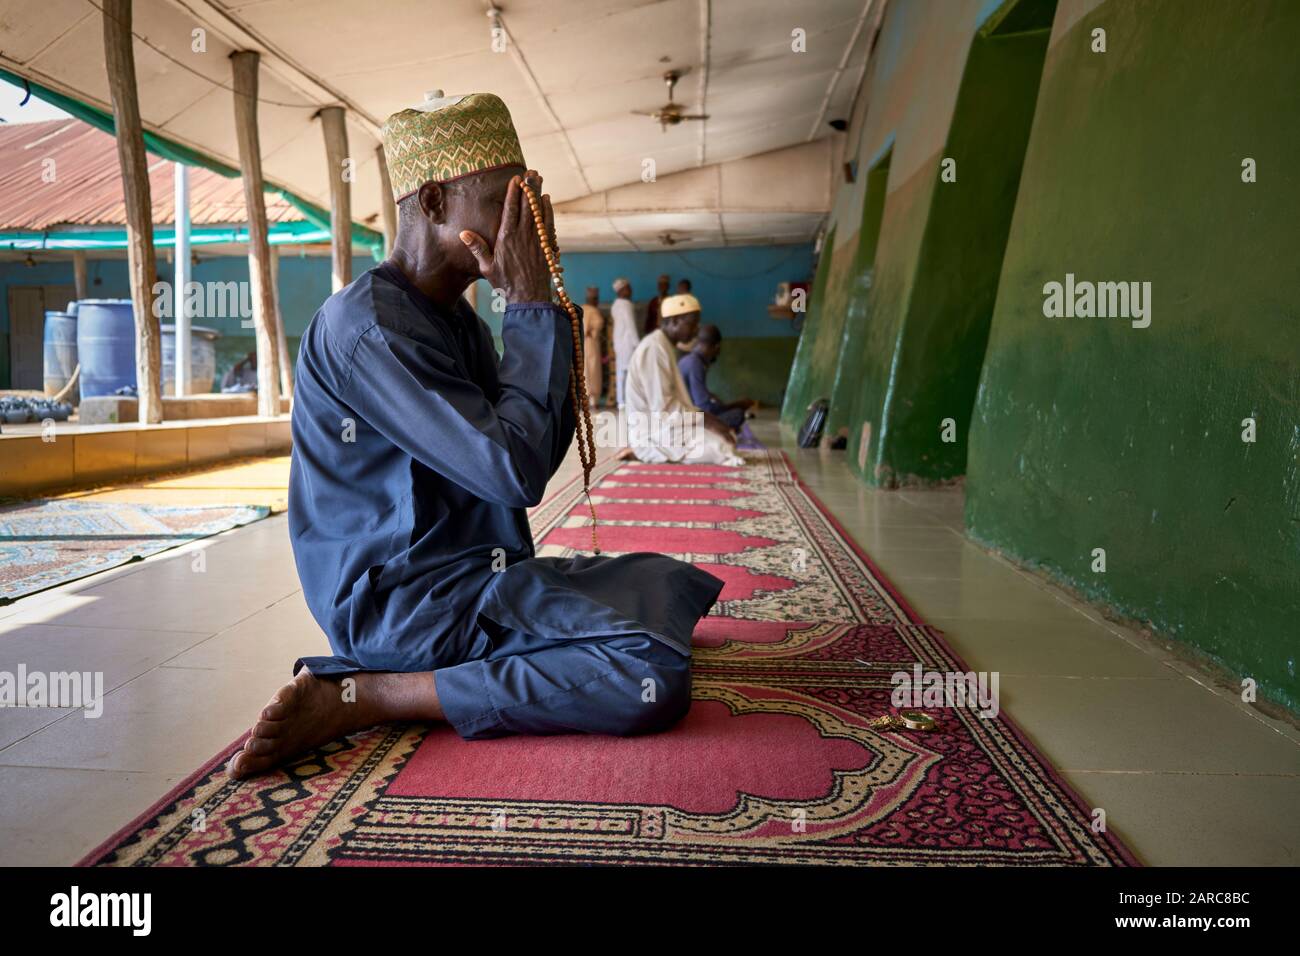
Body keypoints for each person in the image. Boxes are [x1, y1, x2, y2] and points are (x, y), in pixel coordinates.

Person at [226, 91, 723, 779]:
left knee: (672, 583)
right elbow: (511, 471)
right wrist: (526, 307)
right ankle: (376, 691)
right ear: (433, 204)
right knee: (651, 670)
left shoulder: (455, 319)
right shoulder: (369, 329)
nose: (525, 223)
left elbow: (534, 455)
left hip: (481, 577)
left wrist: (534, 314)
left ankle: (513, 651)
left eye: (528, 202)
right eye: (503, 201)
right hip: (410, 608)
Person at [623, 293, 743, 466]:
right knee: (721, 448)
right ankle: (644, 452)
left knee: (727, 439)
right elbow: (663, 409)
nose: (696, 330)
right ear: (674, 321)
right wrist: (708, 421)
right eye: (692, 323)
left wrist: (709, 422)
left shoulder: (664, 345)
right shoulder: (654, 348)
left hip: (667, 426)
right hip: (653, 432)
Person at [678, 324, 755, 430]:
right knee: (737, 415)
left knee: (731, 416)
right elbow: (704, 407)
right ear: (716, 347)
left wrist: (715, 400)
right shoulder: (695, 364)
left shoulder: (689, 360)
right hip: (687, 422)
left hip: (684, 416)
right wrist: (735, 405)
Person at [610, 277, 639, 408]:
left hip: (619, 342)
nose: (631, 290)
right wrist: (638, 344)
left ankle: (621, 400)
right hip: (628, 343)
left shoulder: (616, 305)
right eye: (628, 288)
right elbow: (631, 326)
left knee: (621, 371)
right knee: (630, 371)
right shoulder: (625, 305)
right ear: (621, 291)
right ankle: (626, 400)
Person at [581, 286, 604, 407]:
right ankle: (593, 400)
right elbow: (598, 326)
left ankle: (583, 400)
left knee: (584, 370)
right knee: (592, 370)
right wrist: (592, 332)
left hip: (580, 343)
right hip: (591, 343)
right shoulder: (594, 311)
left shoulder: (581, 309)